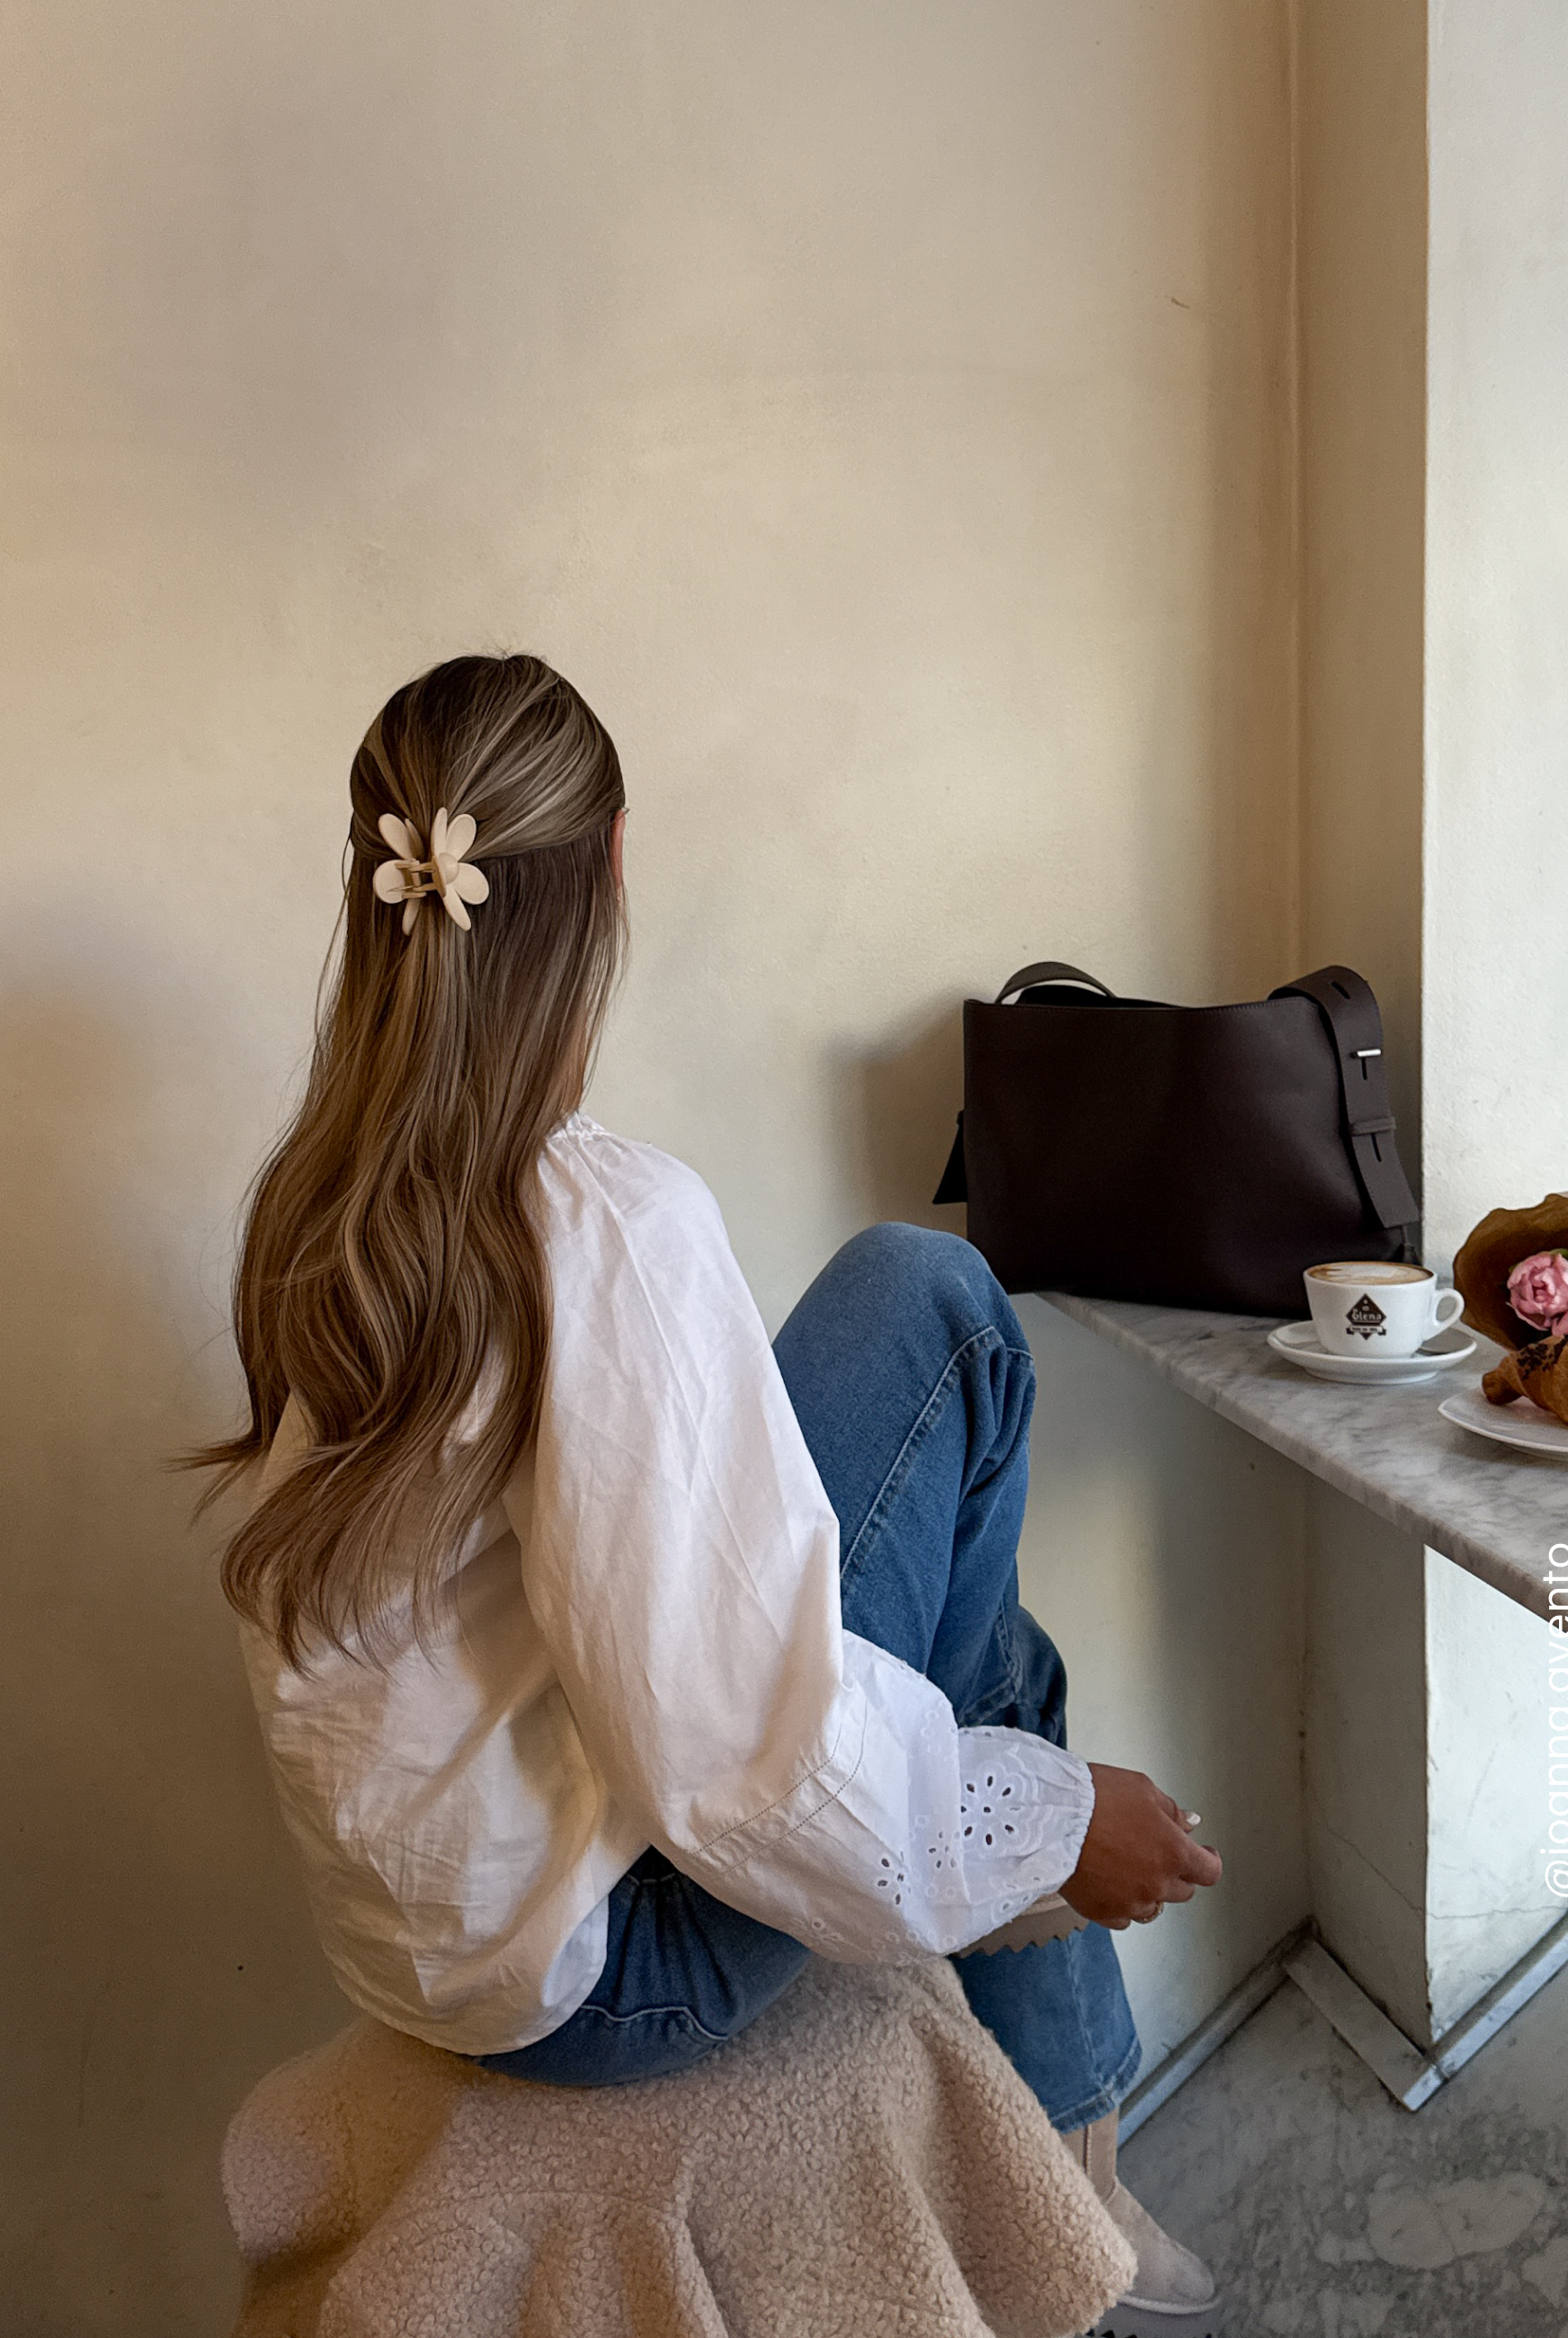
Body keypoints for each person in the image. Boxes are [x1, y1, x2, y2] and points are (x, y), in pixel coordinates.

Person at [197, 654, 1225, 2337]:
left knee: (962, 1592)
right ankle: (1074, 2154)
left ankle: (1072, 2128)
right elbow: (738, 1756)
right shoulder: (601, 1224)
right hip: (616, 1976)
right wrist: (1047, 1816)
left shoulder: (321, 1206)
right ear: (613, 866)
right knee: (939, 1308)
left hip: (425, 1937)